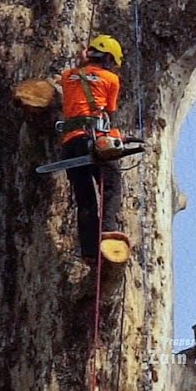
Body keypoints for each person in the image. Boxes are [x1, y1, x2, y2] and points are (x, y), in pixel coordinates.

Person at [57, 35, 124, 262]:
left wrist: (82, 61)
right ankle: (108, 231)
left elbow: (77, 74)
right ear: (108, 58)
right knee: (112, 184)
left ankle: (89, 251)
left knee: (84, 199)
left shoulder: (68, 76)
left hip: (70, 145)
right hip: (93, 140)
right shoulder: (111, 79)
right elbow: (110, 112)